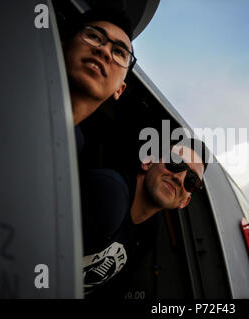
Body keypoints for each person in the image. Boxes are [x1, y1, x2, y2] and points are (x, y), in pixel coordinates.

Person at [80, 138, 209, 296]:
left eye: (192, 181)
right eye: (175, 162)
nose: (180, 179)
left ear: (185, 202)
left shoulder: (149, 231)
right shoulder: (110, 192)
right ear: (148, 162)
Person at [60, 9, 136, 152]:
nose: (105, 51)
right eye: (95, 37)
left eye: (119, 52)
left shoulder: (72, 146)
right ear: (63, 47)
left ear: (120, 89)